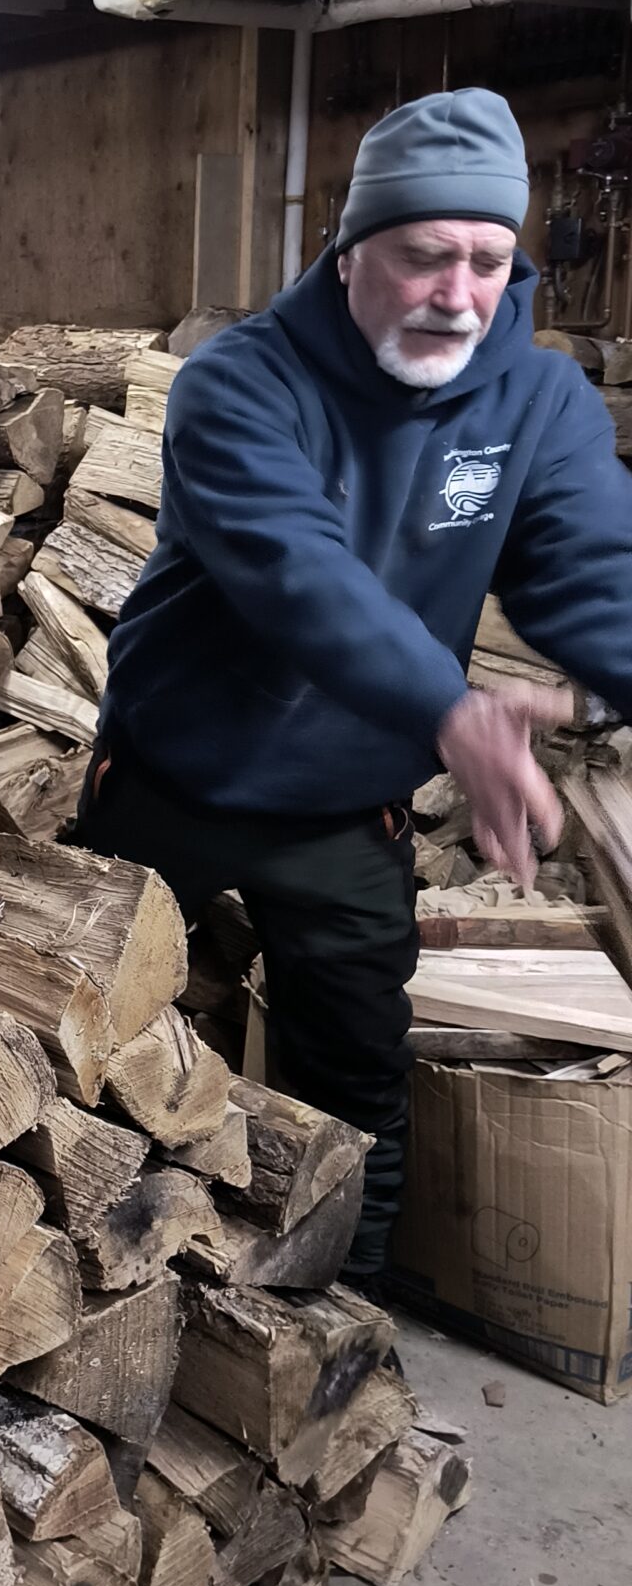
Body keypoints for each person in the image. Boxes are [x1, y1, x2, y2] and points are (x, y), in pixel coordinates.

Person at [77, 86, 632, 1287]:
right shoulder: (239, 383)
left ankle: (339, 1314)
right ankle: (93, 1287)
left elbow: (592, 577)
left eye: (488, 260)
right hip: (176, 775)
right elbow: (297, 575)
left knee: (353, 1080)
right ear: (349, 251)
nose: (460, 293)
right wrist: (451, 711)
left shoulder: (537, 403)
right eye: (426, 255)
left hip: (346, 805)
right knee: (92, 1043)